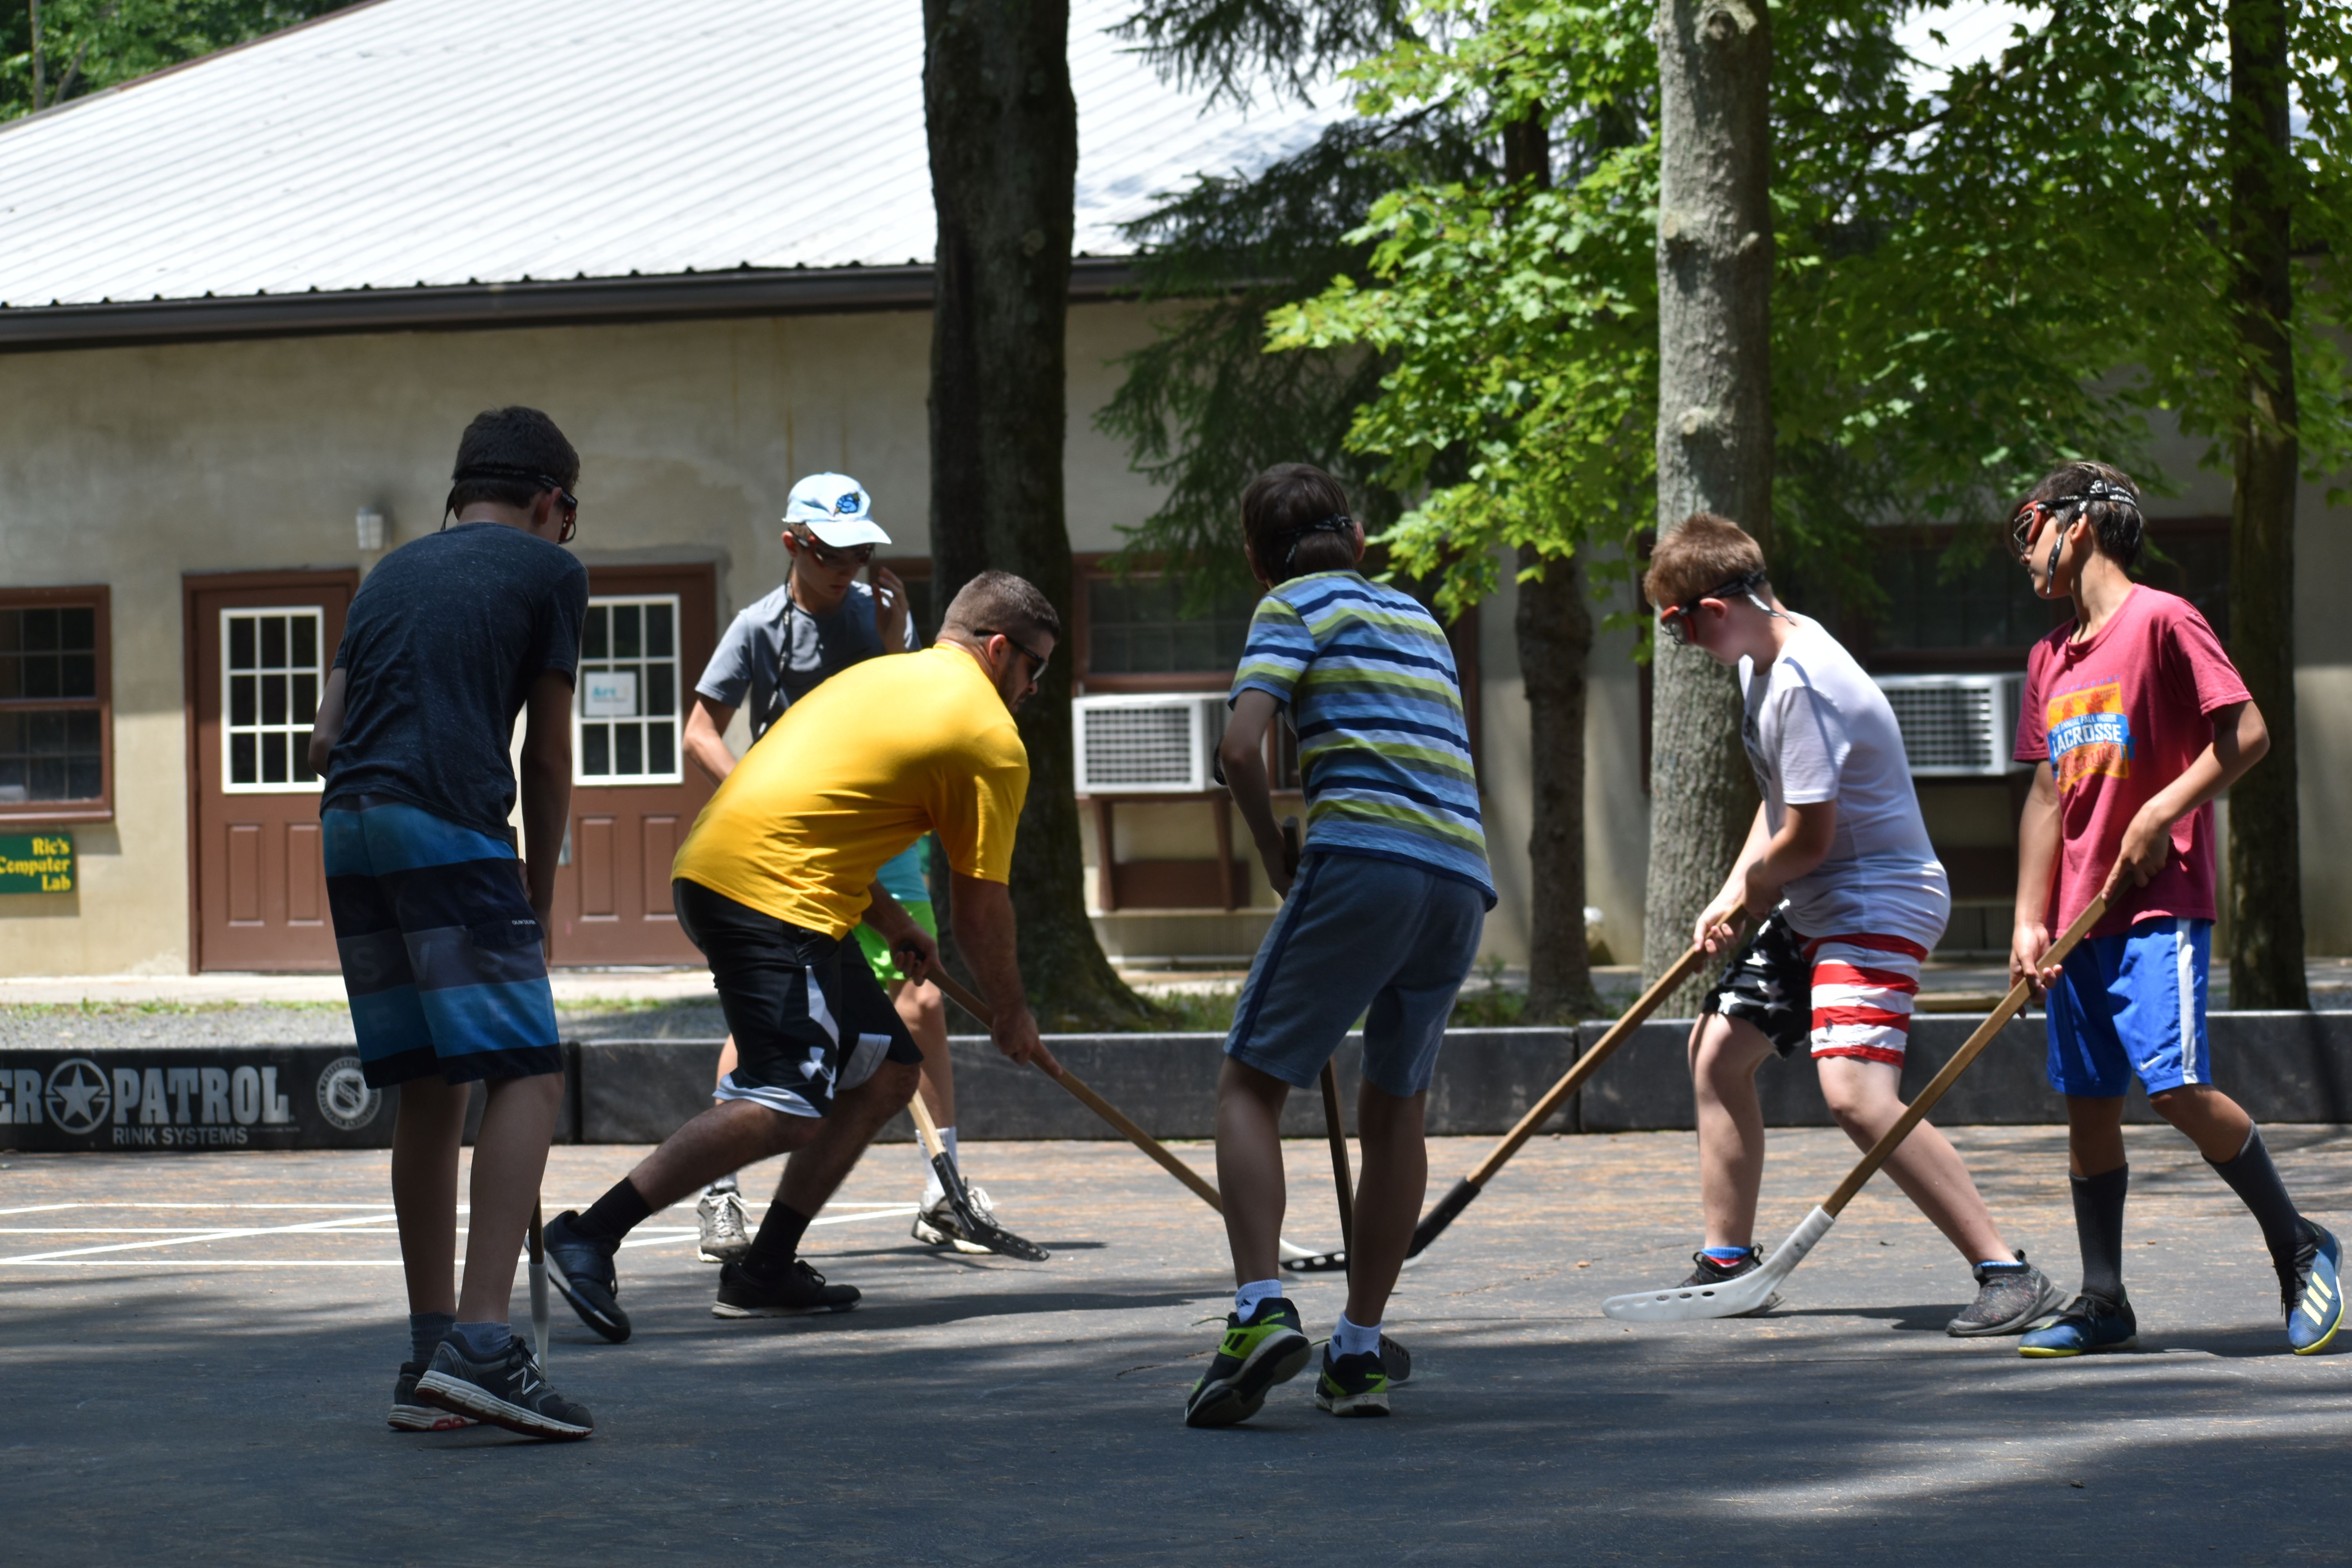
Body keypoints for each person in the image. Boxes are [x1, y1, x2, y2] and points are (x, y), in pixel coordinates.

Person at [539, 572, 1060, 1338]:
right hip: (773, 896)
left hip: (742, 870)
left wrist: (887, 919)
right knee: (787, 1100)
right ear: (997, 648)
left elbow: (824, 805)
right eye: (1036, 668)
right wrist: (1011, 1013)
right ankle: (589, 1232)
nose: (1035, 689)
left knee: (888, 1069)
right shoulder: (988, 735)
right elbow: (982, 908)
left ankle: (765, 1267)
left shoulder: (883, 677)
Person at [1645, 513, 2063, 1337]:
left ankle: (2009, 1272)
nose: (1679, 640)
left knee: (1855, 1094)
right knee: (1718, 1051)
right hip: (1818, 897)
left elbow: (1811, 838)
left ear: (1715, 607)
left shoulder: (1801, 678)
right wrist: (1731, 890)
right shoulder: (1760, 659)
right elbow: (1782, 806)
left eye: (1675, 622)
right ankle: (1729, 1263)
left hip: (1878, 901)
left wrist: (1754, 893)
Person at [2005, 463, 2341, 1356]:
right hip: (2077, 916)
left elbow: (2249, 733)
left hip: (2157, 904)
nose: (2025, 553)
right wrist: (2027, 918)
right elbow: (2044, 794)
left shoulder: (2163, 618)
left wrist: (2163, 808)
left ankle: (2300, 1241)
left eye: (2030, 527)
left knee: (2174, 1084)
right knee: (2088, 1104)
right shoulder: (2050, 657)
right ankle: (2105, 1299)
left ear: (2079, 526)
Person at [1187, 463, 1493, 1428]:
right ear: (1359, 538)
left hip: (1364, 856)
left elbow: (1242, 747)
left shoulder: (1288, 606)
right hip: (1458, 874)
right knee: (1396, 1102)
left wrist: (1275, 848)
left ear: (1254, 555)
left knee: (1251, 1080)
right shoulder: (1419, 619)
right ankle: (1358, 1350)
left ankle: (1257, 1308)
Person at [309, 406, 593, 1439]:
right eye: (571, 514)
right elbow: (548, 754)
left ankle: (432, 1353)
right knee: (528, 1068)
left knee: (431, 1087)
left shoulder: (387, 575)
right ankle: (482, 1345)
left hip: (350, 826)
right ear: (551, 501)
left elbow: (322, 731)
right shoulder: (550, 574)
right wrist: (542, 890)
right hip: (444, 819)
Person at [677, 474, 995, 1261]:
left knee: (921, 992)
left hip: (883, 830)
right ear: (794, 544)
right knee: (765, 1011)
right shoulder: (757, 626)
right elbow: (699, 733)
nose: (849, 567)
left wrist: (894, 644)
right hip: (792, 843)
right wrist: (756, 792)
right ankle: (721, 1192)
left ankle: (942, 1184)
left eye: (862, 552)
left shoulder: (881, 617)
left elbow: (910, 714)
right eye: (832, 553)